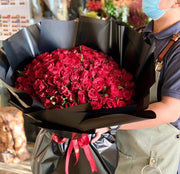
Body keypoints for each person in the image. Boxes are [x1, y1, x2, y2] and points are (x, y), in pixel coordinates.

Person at [91, 0, 180, 173]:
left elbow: (170, 110)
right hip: (129, 151)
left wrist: (111, 123)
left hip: (158, 160)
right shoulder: (140, 37)